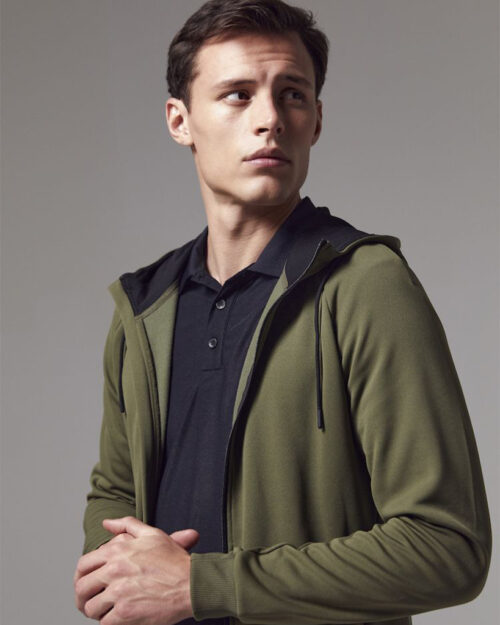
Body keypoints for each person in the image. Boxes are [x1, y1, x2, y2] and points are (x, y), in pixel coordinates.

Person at [73, 1, 492, 624]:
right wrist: (113, 572)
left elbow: (447, 548)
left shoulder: (367, 285)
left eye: (292, 94)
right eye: (238, 95)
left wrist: (202, 584)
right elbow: (114, 494)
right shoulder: (144, 307)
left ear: (315, 120)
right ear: (180, 121)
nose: (269, 118)